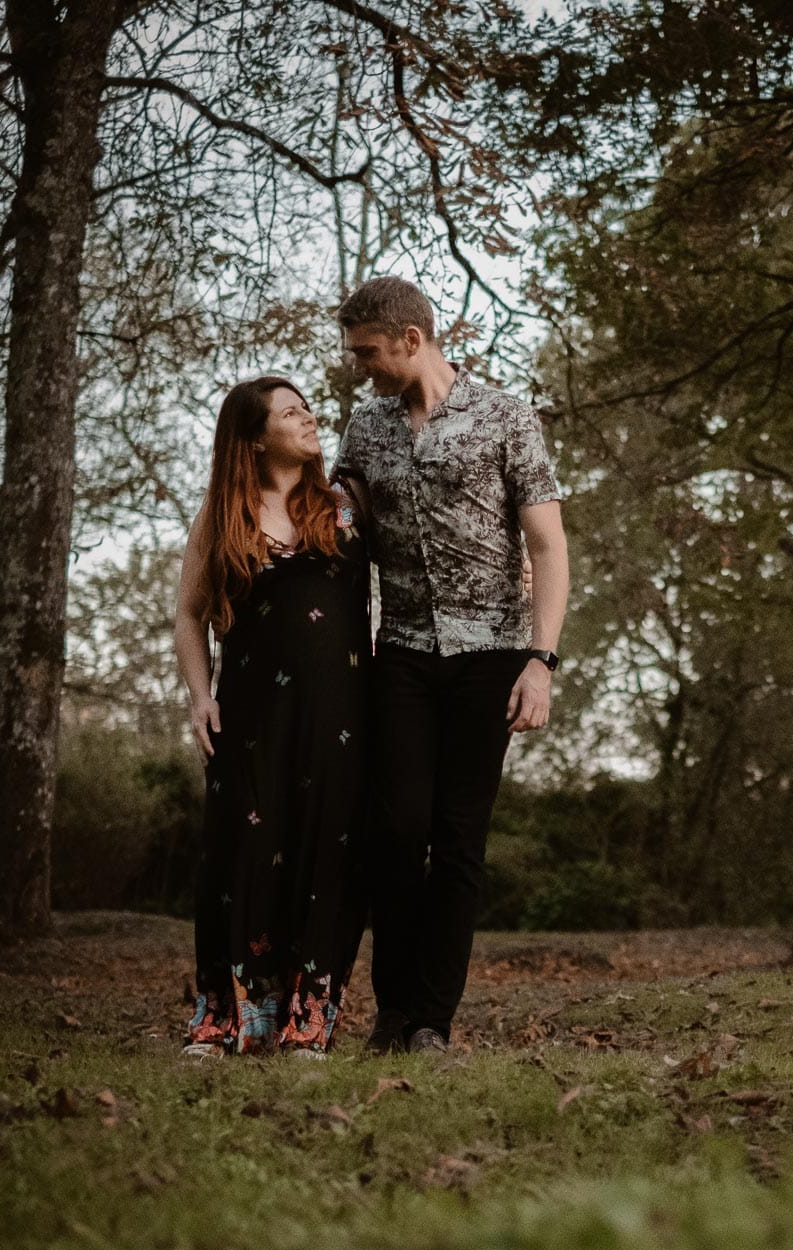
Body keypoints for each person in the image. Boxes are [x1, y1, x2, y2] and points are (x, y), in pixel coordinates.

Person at [330, 276, 568, 1055]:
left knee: (459, 838)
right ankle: (391, 1008)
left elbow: (547, 546)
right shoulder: (365, 428)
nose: (358, 366)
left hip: (491, 655)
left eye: (367, 352)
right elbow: (341, 518)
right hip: (398, 650)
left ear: (410, 338)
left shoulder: (506, 415)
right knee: (395, 833)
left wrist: (542, 661)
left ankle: (431, 1018)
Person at [172, 375, 371, 1057]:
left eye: (307, 407)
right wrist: (200, 696)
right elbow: (190, 616)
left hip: (342, 716)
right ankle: (223, 1017)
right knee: (241, 859)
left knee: (329, 857)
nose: (309, 419)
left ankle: (309, 1017)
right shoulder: (224, 517)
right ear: (256, 438)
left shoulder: (347, 505)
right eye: (290, 413)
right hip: (250, 717)